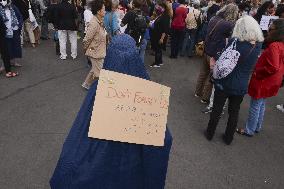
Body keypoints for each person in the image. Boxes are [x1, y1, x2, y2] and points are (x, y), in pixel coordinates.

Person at [50, 34, 172, 189]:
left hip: (99, 168)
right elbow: (163, 140)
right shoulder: (147, 96)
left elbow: (79, 132)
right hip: (132, 170)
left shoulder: (98, 89)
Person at [204, 15, 264, 145]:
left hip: (224, 82)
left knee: (217, 109)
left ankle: (210, 133)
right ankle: (228, 138)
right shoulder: (257, 46)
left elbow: (222, 57)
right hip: (241, 85)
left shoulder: (235, 42)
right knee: (234, 112)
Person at [236, 19, 284, 137]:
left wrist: (258, 72)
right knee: (261, 103)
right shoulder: (281, 45)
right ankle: (257, 126)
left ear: (277, 31)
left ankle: (249, 130)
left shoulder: (274, 46)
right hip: (274, 80)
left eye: (271, 28)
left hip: (264, 79)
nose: (268, 30)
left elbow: (273, 66)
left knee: (256, 104)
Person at [195, 3, 238, 105]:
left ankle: (197, 92)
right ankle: (205, 98)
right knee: (211, 76)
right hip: (215, 53)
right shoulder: (230, 24)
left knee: (203, 73)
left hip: (207, 49)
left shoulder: (214, 18)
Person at [82, 0, 106, 90]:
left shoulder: (100, 21)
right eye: (104, 9)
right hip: (95, 52)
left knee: (94, 69)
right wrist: (86, 50)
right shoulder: (93, 23)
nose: (105, 11)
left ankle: (86, 84)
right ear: (99, 12)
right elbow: (87, 39)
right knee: (99, 73)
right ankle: (101, 90)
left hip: (99, 50)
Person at [0, 0, 23, 69]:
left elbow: (19, 16)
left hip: (14, 29)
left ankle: (13, 62)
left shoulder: (13, 7)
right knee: (5, 48)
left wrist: (19, 25)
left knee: (14, 46)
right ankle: (3, 65)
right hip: (4, 31)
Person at [150, 1, 171, 67]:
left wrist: (162, 38)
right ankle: (160, 61)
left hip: (160, 35)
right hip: (157, 34)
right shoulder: (161, 14)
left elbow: (165, 29)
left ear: (164, 7)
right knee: (159, 49)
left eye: (160, 7)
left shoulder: (166, 16)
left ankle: (157, 63)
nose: (158, 8)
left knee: (158, 49)